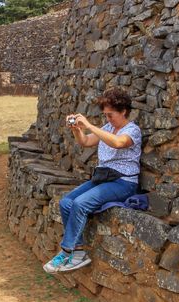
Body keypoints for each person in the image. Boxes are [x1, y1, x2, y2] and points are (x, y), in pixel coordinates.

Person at [43, 87, 142, 274]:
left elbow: (118, 143)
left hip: (123, 182)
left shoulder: (132, 130)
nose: (108, 119)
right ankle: (78, 253)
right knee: (66, 203)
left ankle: (65, 253)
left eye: (111, 115)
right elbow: (86, 142)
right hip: (104, 178)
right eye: (105, 115)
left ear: (124, 111)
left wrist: (89, 124)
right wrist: (77, 130)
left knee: (80, 204)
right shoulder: (107, 128)